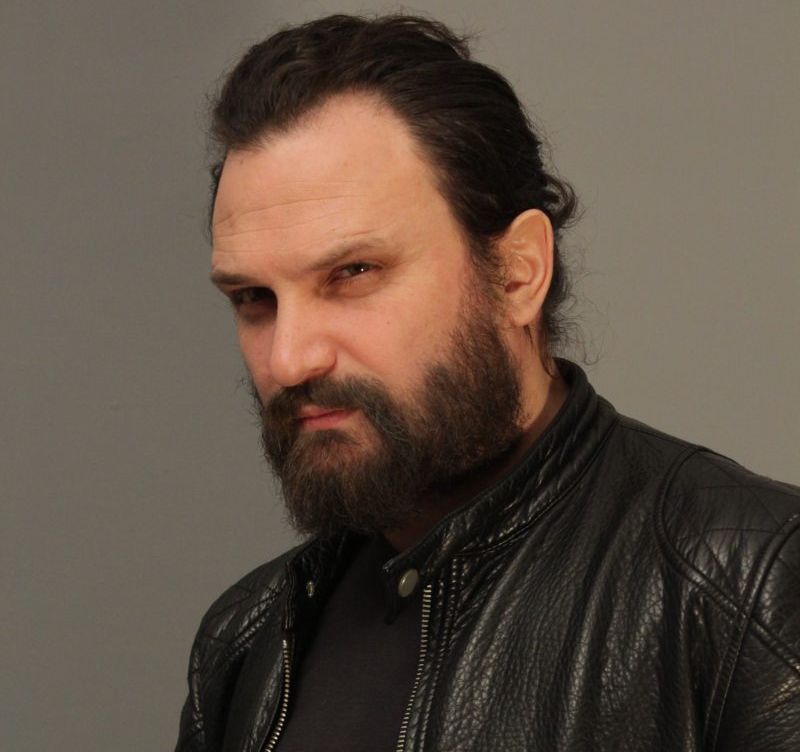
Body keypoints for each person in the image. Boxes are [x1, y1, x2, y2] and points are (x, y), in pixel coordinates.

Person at [175, 13, 800, 752]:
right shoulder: (248, 637)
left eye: (353, 273)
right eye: (253, 298)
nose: (289, 360)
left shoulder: (752, 584)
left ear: (516, 273)